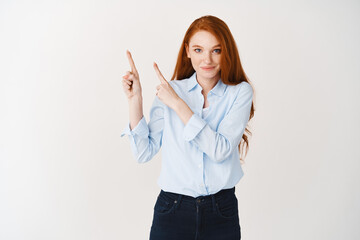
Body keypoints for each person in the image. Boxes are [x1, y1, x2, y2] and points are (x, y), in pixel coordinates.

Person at [120, 15, 255, 240]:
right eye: (199, 50)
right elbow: (144, 152)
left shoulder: (239, 92)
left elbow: (220, 150)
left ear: (226, 52)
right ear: (187, 51)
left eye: (216, 50)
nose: (207, 60)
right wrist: (135, 99)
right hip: (173, 209)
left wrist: (177, 104)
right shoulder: (171, 90)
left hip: (221, 211)